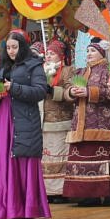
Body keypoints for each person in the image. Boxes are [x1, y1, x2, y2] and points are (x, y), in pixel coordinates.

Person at [0, 30, 51, 219]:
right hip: (3, 118)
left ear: (23, 47)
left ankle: (24, 210)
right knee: (3, 161)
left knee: (22, 160)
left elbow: (40, 91)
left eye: (15, 47)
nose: (11, 51)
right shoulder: (2, 67)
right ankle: (3, 209)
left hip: (23, 120)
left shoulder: (33, 65)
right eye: (8, 47)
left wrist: (13, 87)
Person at [63, 37, 110, 206]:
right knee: (83, 156)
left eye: (92, 51)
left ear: (101, 53)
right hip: (81, 123)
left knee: (103, 158)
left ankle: (107, 194)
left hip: (101, 122)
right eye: (87, 51)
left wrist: (89, 92)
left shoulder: (108, 70)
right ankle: (86, 195)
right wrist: (72, 92)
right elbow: (66, 90)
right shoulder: (80, 72)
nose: (89, 54)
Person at [41, 39, 74, 204]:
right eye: (47, 53)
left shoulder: (67, 71)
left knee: (59, 156)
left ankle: (60, 191)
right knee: (46, 158)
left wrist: (53, 91)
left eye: (52, 53)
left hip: (61, 120)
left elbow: (70, 92)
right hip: (43, 120)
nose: (48, 56)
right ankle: (47, 191)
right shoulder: (41, 70)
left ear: (60, 55)